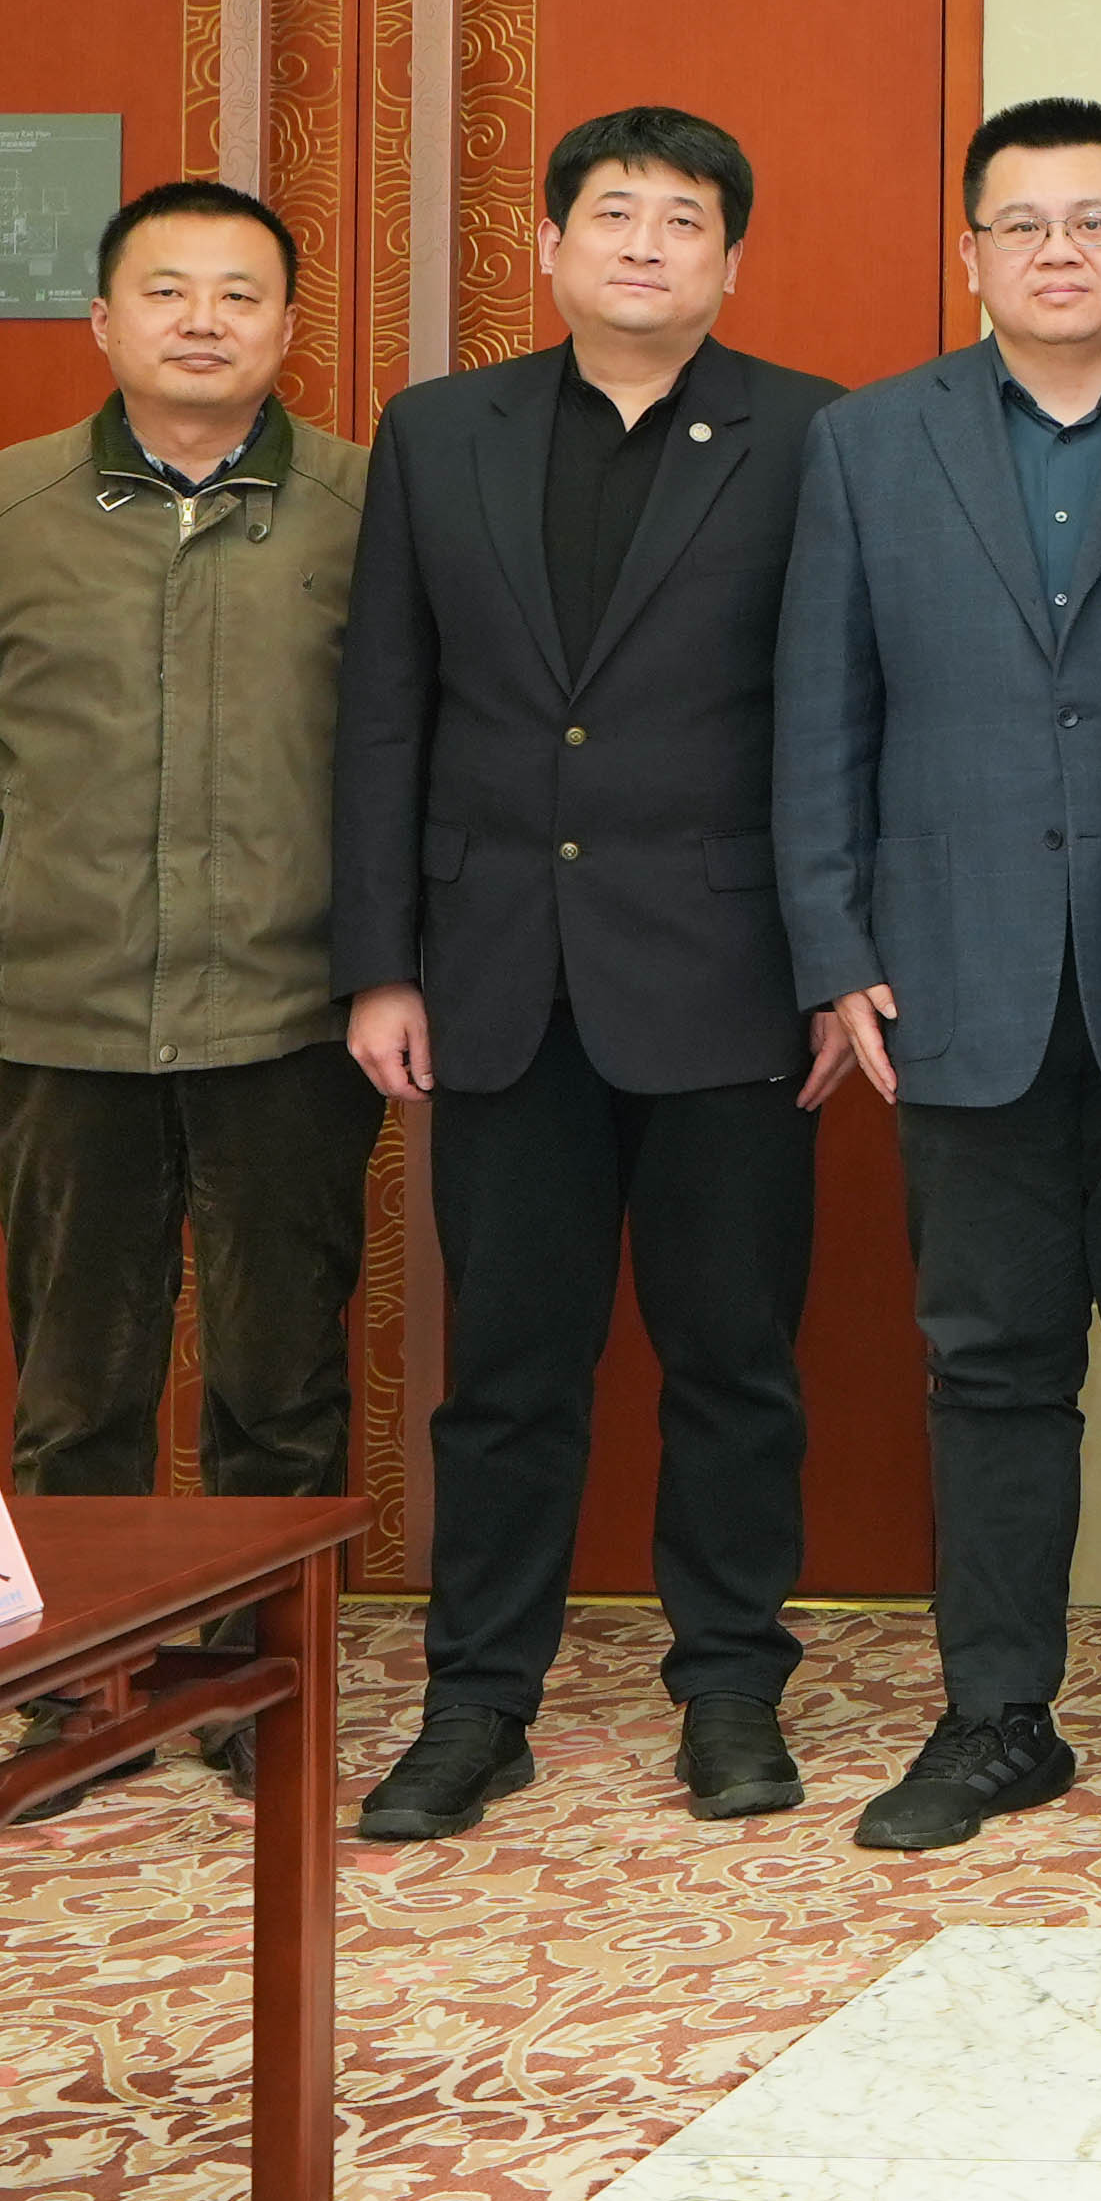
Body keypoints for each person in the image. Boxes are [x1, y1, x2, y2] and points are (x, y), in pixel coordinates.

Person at [331, 109, 839, 1841]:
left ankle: (729, 1692)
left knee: (734, 1362)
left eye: (682, 219)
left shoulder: (815, 439)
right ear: (545, 249)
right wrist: (377, 964)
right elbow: (384, 709)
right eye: (611, 215)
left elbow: (839, 724)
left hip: (728, 971)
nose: (643, 244)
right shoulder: (440, 431)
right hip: (495, 975)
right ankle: (478, 1705)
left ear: (729, 259)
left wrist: (842, 967)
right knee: (509, 1371)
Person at [775, 96, 1101, 1854]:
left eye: (1097, 219)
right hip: (953, 991)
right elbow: (822, 716)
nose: (1061, 250)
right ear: (967, 251)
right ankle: (997, 1718)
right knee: (987, 1368)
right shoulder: (868, 443)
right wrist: (834, 951)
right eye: (1023, 222)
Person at [0, 179, 375, 1616]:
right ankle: (70, 1668)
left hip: (287, 1013)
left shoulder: (362, 507)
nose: (202, 321)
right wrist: (26, 873)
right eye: (166, 291)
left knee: (278, 1382)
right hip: (58, 1015)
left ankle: (252, 1673)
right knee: (75, 1383)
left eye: (238, 293)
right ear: (103, 319)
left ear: (288, 325)